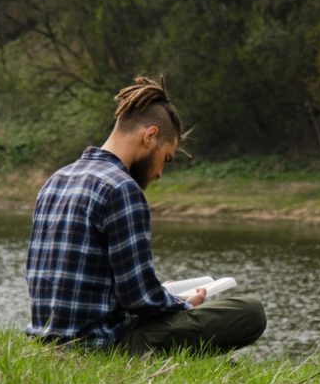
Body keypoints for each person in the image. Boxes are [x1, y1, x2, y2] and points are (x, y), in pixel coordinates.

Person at [25, 76, 266, 354]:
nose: (160, 173)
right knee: (249, 311)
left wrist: (162, 292)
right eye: (166, 158)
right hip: (99, 345)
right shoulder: (121, 188)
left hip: (44, 339)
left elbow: (90, 282)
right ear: (150, 136)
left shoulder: (56, 179)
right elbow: (139, 300)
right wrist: (184, 303)